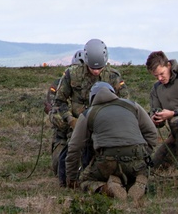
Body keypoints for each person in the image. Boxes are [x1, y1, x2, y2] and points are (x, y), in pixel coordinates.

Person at [50, 39, 130, 187]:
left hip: (104, 124)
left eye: (99, 68)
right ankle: (68, 181)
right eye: (93, 68)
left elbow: (125, 103)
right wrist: (70, 120)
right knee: (71, 151)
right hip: (77, 122)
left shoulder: (113, 76)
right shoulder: (72, 74)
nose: (96, 71)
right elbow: (59, 101)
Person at [65, 81, 158, 203]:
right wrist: (145, 153)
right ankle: (138, 182)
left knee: (85, 181)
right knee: (134, 173)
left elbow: (74, 147)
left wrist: (71, 178)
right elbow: (152, 133)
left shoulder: (88, 113)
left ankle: (107, 188)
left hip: (107, 160)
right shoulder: (133, 106)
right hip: (136, 157)